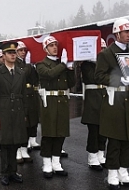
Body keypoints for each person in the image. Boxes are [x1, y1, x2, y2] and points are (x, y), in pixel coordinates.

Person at [95, 18, 129, 190]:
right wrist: (118, 79)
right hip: (114, 100)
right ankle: (112, 174)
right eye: (126, 32)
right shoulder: (106, 54)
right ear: (117, 33)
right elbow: (99, 76)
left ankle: (124, 172)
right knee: (115, 139)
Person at [36, 36, 75, 178]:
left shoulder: (62, 64)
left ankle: (56, 162)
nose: (54, 48)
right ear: (45, 48)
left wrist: (70, 68)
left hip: (62, 99)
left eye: (55, 45)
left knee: (61, 132)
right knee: (49, 132)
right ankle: (47, 163)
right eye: (51, 45)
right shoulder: (41, 64)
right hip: (50, 100)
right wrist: (64, 65)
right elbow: (50, 74)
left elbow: (71, 83)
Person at [0, 42, 28, 186]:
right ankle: (5, 172)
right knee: (5, 143)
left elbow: (24, 94)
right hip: (4, 109)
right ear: (4, 56)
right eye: (10, 53)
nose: (13, 55)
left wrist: (25, 112)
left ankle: (13, 171)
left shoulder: (21, 73)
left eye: (14, 53)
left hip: (17, 109)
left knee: (15, 142)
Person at [80, 38, 108, 171]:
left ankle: (101, 154)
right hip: (92, 99)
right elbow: (94, 78)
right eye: (100, 48)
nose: (102, 51)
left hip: (104, 97)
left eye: (103, 48)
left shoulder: (106, 64)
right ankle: (92, 156)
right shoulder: (87, 65)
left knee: (104, 129)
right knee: (94, 129)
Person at [15, 41, 40, 164]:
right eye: (20, 50)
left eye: (24, 50)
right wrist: (29, 66)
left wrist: (35, 66)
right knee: (21, 125)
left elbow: (35, 79)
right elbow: (21, 76)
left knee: (30, 122)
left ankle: (24, 148)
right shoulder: (15, 63)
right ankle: (18, 150)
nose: (23, 52)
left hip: (31, 95)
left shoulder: (27, 63)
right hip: (21, 95)